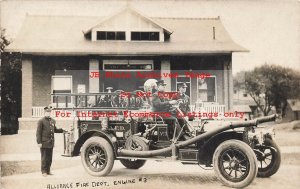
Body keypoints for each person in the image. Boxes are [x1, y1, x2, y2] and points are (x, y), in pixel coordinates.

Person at [36, 106, 66, 177]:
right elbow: (38, 132)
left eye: (49, 112)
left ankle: (48, 170)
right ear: (44, 112)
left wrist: (62, 130)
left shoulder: (52, 120)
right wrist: (39, 142)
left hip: (51, 142)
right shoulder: (41, 121)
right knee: (44, 158)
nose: (48, 113)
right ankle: (44, 172)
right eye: (47, 112)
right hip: (44, 143)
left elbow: (55, 130)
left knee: (49, 158)